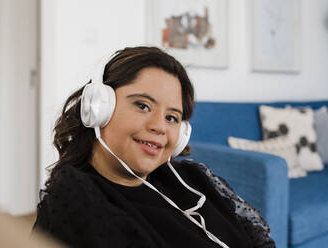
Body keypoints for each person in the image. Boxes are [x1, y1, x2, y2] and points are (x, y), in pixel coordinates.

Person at [33, 46, 275, 248]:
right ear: (98, 107)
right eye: (143, 105)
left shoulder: (195, 179)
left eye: (172, 117)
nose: (159, 126)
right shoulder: (76, 200)